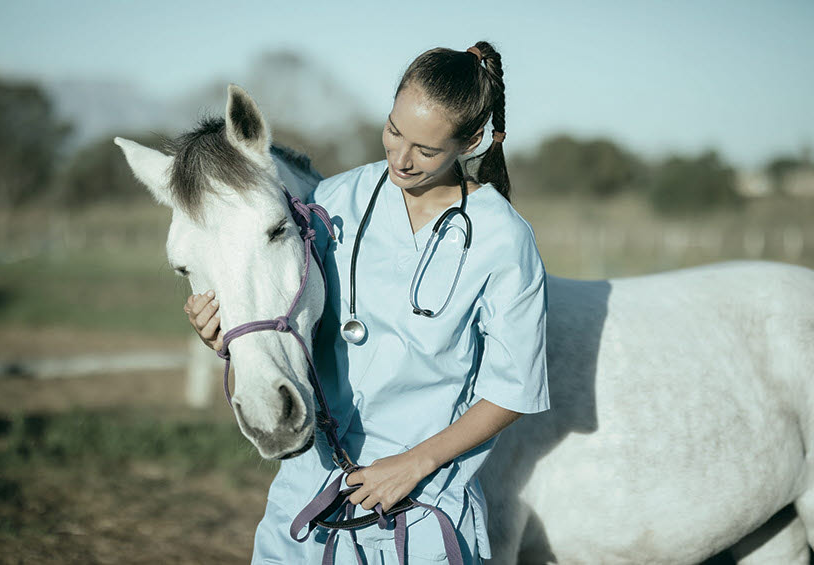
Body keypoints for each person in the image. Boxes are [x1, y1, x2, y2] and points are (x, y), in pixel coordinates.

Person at [185, 41, 549, 565]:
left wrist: (412, 464)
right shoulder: (331, 202)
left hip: (422, 507)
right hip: (310, 497)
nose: (400, 158)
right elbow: (285, 316)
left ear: (470, 142)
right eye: (394, 131)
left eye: (425, 150)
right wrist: (223, 332)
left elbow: (513, 390)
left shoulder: (503, 239)